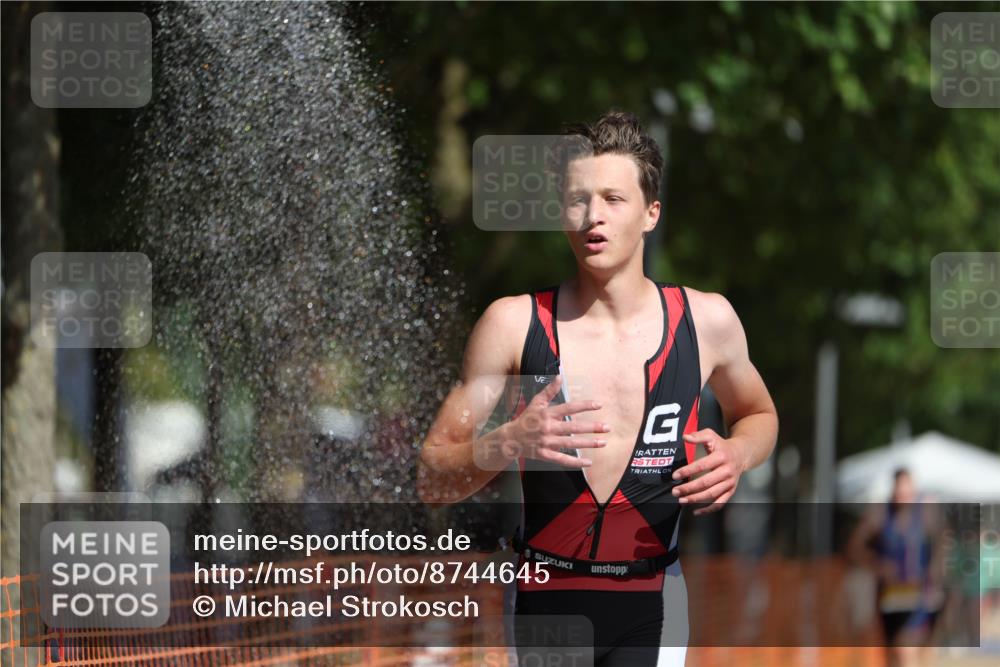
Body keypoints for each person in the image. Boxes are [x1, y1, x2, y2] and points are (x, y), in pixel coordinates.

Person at [417, 110, 779, 667]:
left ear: (650, 212)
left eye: (613, 198)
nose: (593, 217)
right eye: (577, 199)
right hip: (545, 603)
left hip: (652, 598)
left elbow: (758, 413)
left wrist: (737, 452)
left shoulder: (706, 322)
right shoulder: (513, 325)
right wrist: (509, 441)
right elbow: (432, 477)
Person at [848, 468, 945, 667]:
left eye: (908, 487)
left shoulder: (926, 513)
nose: (904, 492)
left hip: (920, 595)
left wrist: (935, 570)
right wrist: (877, 565)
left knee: (906, 649)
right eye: (900, 487)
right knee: (893, 652)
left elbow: (944, 541)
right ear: (893, 489)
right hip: (890, 596)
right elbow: (854, 547)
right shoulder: (881, 514)